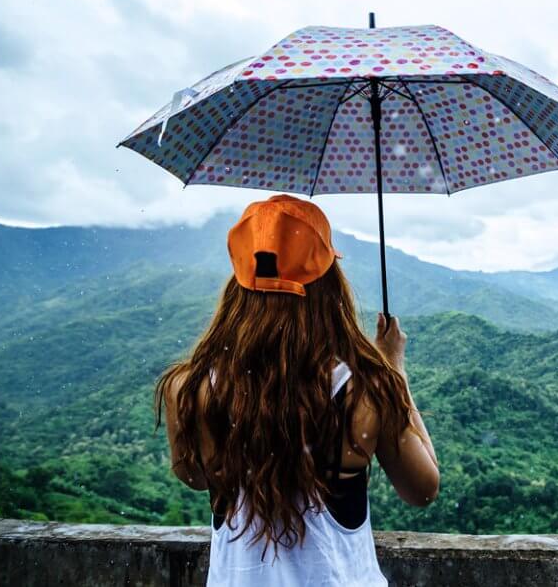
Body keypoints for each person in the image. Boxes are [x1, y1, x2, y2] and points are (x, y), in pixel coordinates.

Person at [155, 194, 439, 586]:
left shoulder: (190, 388)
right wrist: (393, 371)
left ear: (238, 283)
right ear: (328, 283)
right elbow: (422, 488)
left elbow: (195, 478)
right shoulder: (364, 392)